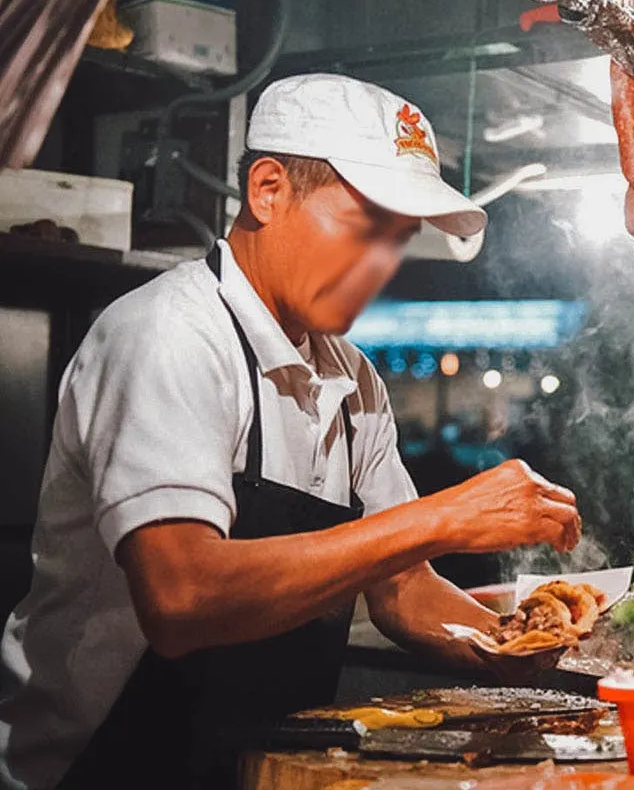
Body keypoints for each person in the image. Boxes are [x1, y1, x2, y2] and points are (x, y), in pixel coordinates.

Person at [0, 74, 582, 790]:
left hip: (252, 769)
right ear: (268, 189)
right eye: (364, 226)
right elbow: (180, 598)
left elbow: (401, 588)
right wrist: (441, 518)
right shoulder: (169, 335)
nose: (380, 265)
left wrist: (520, 646)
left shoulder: (353, 379)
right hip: (92, 769)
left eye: (397, 240)